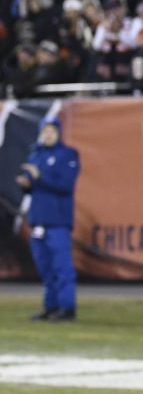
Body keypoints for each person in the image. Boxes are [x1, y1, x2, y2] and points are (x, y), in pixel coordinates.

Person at [17, 118, 80, 322]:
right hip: (38, 220)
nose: (48, 134)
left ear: (59, 132)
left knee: (62, 268)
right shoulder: (36, 154)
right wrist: (26, 184)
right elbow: (33, 188)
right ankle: (51, 307)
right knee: (45, 268)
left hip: (57, 221)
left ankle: (67, 308)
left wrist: (39, 177)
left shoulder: (68, 154)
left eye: (52, 130)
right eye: (45, 130)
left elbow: (65, 185)